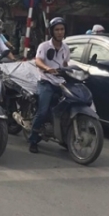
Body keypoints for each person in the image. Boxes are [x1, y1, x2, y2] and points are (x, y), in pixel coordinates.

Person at [28, 17, 70, 154]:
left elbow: (65, 65)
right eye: (57, 30)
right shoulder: (44, 46)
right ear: (52, 31)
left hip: (60, 83)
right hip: (46, 81)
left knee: (67, 107)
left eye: (62, 29)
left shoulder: (65, 48)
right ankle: (33, 140)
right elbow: (38, 61)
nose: (60, 32)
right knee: (43, 111)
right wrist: (47, 68)